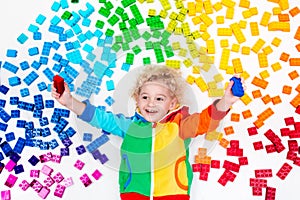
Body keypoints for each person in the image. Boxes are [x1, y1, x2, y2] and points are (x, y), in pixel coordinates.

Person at [51, 65, 244, 200]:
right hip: (133, 194)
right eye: (145, 97)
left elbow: (205, 121)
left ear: (172, 103)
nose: (151, 103)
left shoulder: (180, 126)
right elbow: (99, 117)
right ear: (137, 99)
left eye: (159, 98)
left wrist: (226, 101)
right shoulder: (129, 126)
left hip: (173, 194)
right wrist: (70, 102)